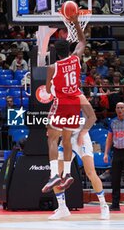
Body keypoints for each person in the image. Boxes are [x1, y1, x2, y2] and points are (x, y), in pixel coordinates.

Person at [42, 13, 86, 193]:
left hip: (61, 103)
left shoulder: (53, 67)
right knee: (67, 139)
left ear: (56, 52)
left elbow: (46, 89)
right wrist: (75, 23)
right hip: (75, 104)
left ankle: (54, 174)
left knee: (52, 138)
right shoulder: (76, 59)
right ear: (69, 48)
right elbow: (82, 41)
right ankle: (67, 173)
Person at [49, 95, 110, 220]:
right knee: (55, 175)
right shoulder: (56, 101)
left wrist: (82, 133)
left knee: (90, 172)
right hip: (66, 138)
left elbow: (92, 117)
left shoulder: (78, 96)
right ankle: (62, 208)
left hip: (81, 136)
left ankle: (104, 206)